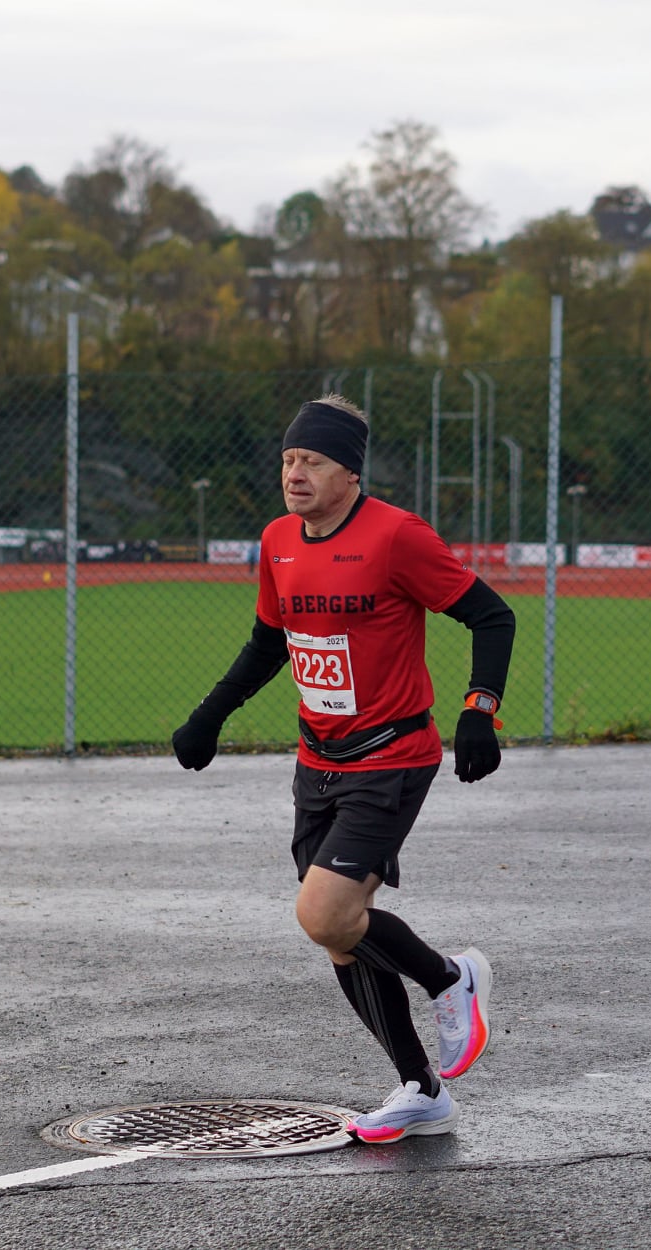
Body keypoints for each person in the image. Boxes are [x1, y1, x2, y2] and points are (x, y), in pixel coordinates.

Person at [172, 393, 516, 1144]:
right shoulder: (277, 541)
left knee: (324, 914)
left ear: (350, 473)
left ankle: (451, 977)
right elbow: (269, 642)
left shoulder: (396, 536)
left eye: (313, 462)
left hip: (392, 756)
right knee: (340, 933)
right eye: (288, 459)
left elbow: (492, 616)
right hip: (316, 761)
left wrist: (478, 709)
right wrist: (210, 714)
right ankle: (421, 1091)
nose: (294, 474)